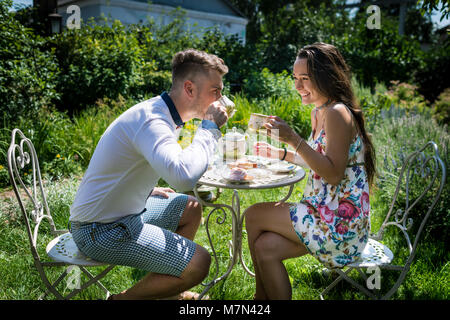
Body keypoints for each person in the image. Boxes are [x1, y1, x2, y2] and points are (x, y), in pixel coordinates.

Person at [69, 49, 229, 300]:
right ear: (189, 89)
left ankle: (171, 292)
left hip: (122, 213)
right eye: (215, 91)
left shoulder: (162, 113)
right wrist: (208, 128)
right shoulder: (153, 121)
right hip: (100, 230)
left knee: (190, 206)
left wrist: (146, 190)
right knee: (200, 262)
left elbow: (127, 167)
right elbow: (183, 177)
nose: (221, 98)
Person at [246, 42, 376, 300]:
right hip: (323, 211)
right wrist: (280, 153)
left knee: (253, 215)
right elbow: (321, 160)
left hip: (341, 226)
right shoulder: (320, 111)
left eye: (305, 78)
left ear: (326, 77)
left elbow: (333, 174)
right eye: (295, 78)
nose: (297, 86)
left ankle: (258, 302)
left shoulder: (338, 113)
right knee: (264, 248)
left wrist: (294, 139)